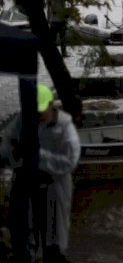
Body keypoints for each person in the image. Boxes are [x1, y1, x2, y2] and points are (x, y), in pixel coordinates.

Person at [0, 84, 81, 263]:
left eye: (40, 110)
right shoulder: (21, 121)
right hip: (24, 184)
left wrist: (39, 156)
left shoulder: (65, 125)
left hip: (53, 187)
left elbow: (69, 161)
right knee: (23, 235)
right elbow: (5, 148)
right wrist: (13, 153)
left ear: (51, 104)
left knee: (54, 239)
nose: (36, 115)